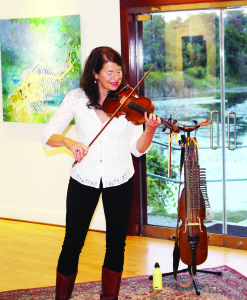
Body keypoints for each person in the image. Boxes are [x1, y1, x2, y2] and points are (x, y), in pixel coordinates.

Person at [42, 46, 161, 300]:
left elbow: (137, 150)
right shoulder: (76, 98)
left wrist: (149, 130)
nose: (116, 77)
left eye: (119, 71)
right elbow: (47, 135)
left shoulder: (129, 102)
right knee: (72, 243)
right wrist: (69, 143)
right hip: (83, 179)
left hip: (120, 179)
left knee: (116, 245)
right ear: (95, 73)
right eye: (109, 72)